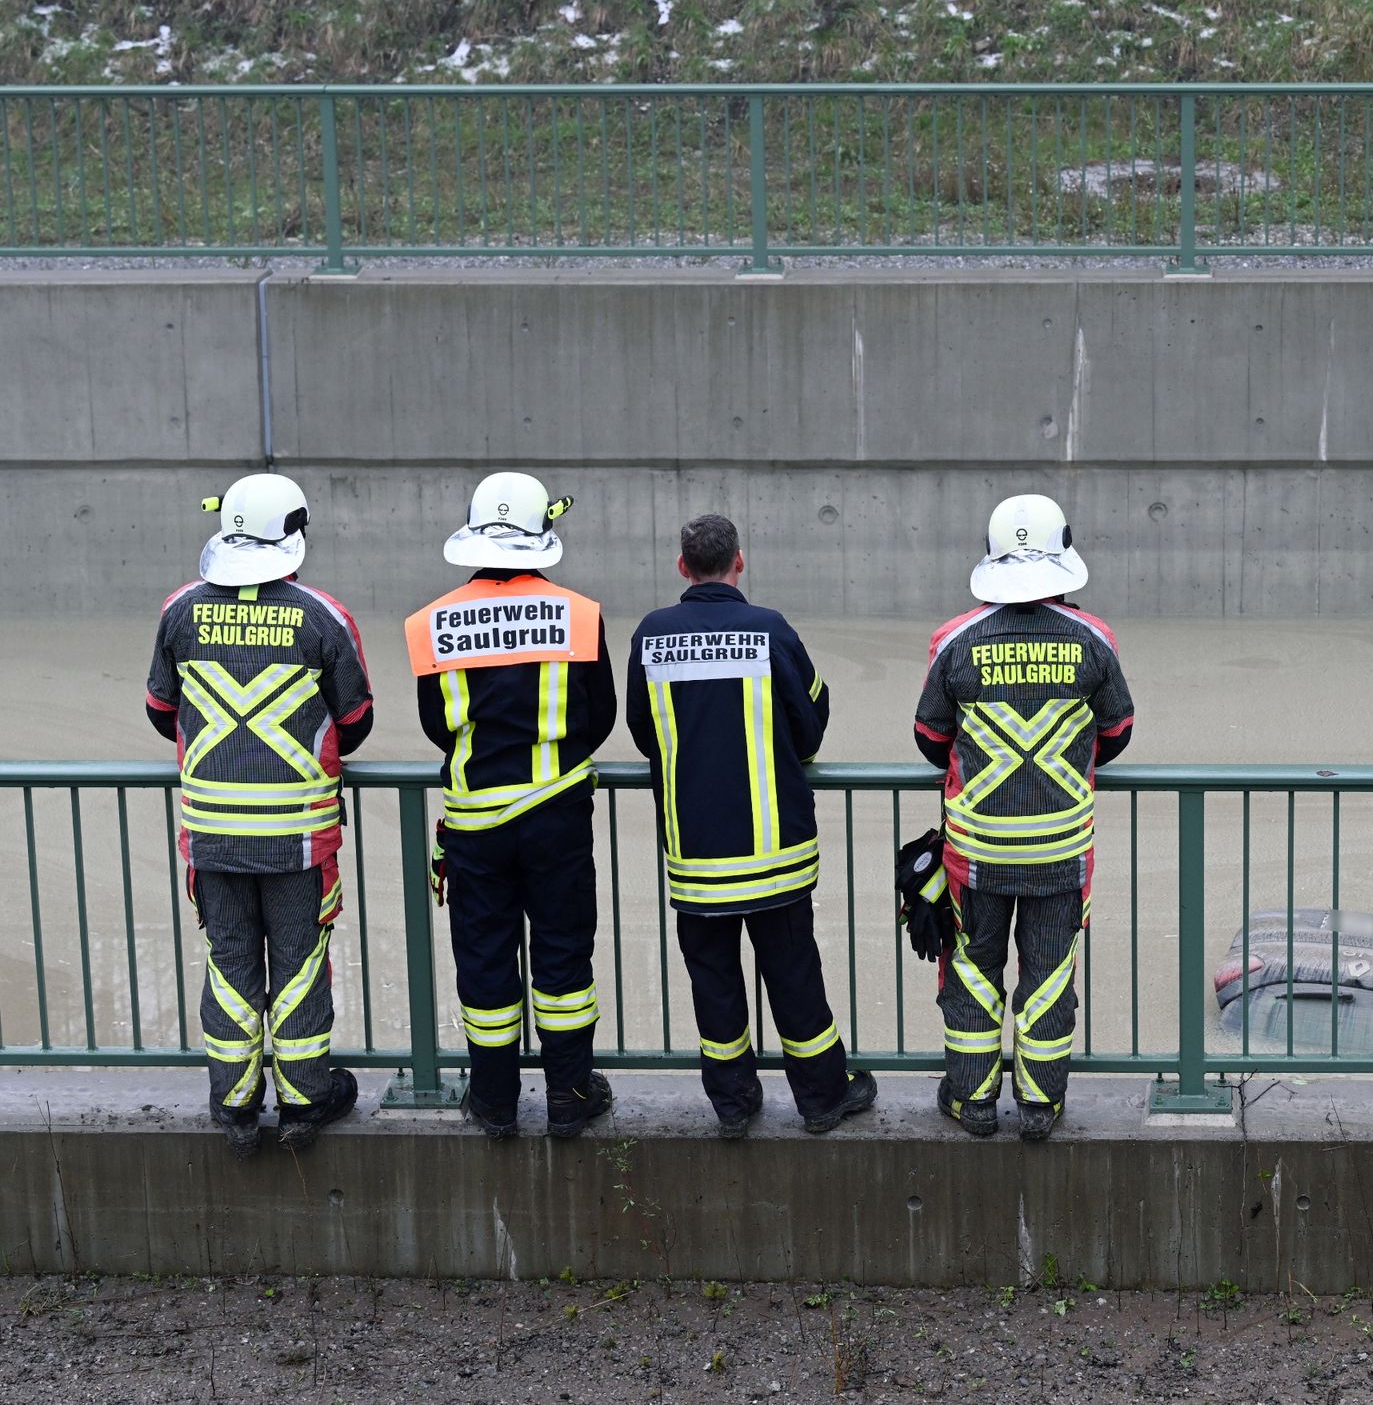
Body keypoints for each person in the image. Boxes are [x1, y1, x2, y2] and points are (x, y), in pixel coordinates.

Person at [145, 473, 374, 1158]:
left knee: (231, 964)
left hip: (212, 834)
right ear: (295, 534)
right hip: (299, 839)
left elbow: (161, 713)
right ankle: (305, 1104)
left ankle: (236, 1107)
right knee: (300, 966)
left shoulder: (179, 610)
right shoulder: (323, 616)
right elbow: (356, 721)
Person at [625, 513, 876, 1138]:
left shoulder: (652, 635)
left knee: (712, 980)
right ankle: (822, 1099)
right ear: (741, 560)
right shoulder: (769, 629)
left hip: (696, 853)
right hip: (776, 851)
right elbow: (811, 720)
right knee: (792, 972)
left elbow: (641, 730)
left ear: (682, 567)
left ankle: (733, 1105)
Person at [913, 493, 1135, 1141]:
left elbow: (930, 738)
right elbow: (1118, 732)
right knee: (1047, 980)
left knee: (972, 977)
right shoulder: (1095, 640)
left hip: (975, 855)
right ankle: (1041, 1108)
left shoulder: (953, 641)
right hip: (1061, 853)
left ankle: (972, 1104)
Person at [406, 472, 616, 1140]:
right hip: (556, 815)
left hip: (474, 825)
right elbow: (601, 715)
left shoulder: (430, 622)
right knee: (562, 959)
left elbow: (438, 728)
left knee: (485, 957)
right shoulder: (580, 614)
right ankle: (570, 1097)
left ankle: (494, 1103)